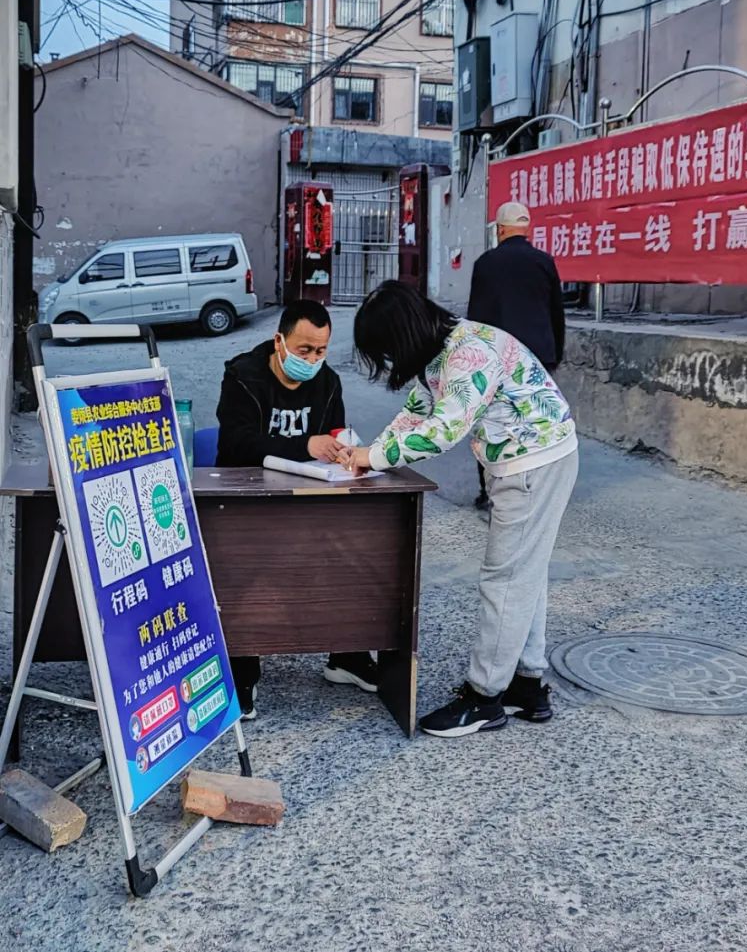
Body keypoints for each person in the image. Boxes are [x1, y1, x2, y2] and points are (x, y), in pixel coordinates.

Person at [342, 280, 578, 738]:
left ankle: (484, 697)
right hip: (528, 459)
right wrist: (371, 450)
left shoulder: (469, 354)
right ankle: (526, 686)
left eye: (387, 351)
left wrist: (374, 458)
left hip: (532, 464)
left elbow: (444, 429)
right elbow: (417, 413)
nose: (390, 361)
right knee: (525, 574)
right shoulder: (442, 350)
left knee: (506, 579)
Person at [215, 299, 377, 719]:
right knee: (246, 570)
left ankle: (348, 654)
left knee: (362, 545)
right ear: (279, 341)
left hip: (310, 497)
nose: (312, 360)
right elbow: (236, 444)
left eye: (321, 351)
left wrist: (343, 447)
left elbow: (335, 432)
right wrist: (304, 444)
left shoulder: (328, 383)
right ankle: (242, 670)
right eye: (304, 350)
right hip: (248, 500)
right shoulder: (242, 377)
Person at [467, 201, 565, 511]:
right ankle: (535, 488)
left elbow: (476, 318)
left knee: (494, 424)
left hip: (498, 358)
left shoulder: (486, 263)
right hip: (539, 357)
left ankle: (491, 490)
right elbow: (556, 313)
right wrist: (555, 354)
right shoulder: (544, 262)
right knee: (535, 423)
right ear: (526, 229)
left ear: (500, 229)